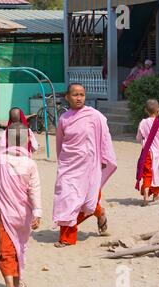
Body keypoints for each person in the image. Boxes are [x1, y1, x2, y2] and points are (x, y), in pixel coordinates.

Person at [52, 83, 117, 248]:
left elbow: (104, 139)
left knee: (87, 202)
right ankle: (67, 237)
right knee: (66, 200)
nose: (79, 98)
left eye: (82, 94)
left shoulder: (95, 116)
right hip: (68, 166)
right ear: (67, 97)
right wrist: (63, 163)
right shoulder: (64, 119)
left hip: (90, 166)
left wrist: (104, 160)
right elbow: (60, 143)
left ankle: (99, 212)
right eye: (75, 94)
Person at [0, 123, 42, 287]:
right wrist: (38, 212)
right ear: (27, 140)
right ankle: (17, 283)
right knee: (20, 247)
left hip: (5, 214)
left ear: (6, 140)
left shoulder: (0, 160)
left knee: (7, 249)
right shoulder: (30, 163)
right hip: (25, 214)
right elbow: (35, 189)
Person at [135, 99, 159, 206]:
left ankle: (146, 195)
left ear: (146, 110)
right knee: (158, 173)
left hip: (147, 153)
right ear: (158, 110)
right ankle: (155, 196)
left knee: (148, 174)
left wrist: (144, 142)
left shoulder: (142, 122)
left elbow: (138, 138)